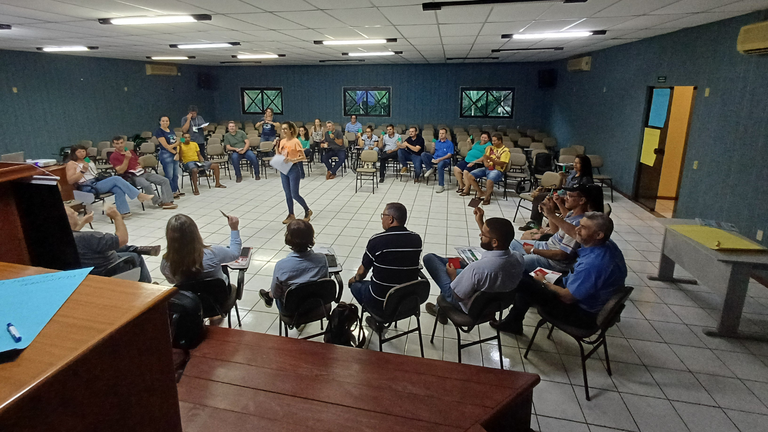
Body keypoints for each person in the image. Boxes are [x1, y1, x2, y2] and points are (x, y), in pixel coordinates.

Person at [491, 212, 627, 336]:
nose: (577, 230)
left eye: (583, 228)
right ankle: (514, 321)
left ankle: (505, 316)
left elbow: (567, 297)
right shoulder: (607, 245)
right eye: (579, 225)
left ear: (598, 235)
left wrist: (544, 282)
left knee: (521, 280)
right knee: (527, 276)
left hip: (579, 313)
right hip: (578, 293)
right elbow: (572, 232)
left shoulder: (594, 264)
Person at [423, 214, 524, 324]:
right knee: (455, 263)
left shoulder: (477, 269)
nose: (480, 235)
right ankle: (440, 310)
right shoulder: (518, 258)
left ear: (495, 242)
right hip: (496, 304)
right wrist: (480, 220)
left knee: (430, 259)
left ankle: (440, 310)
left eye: (483, 234)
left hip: (469, 306)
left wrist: (452, 276)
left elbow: (457, 295)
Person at [349, 203, 422, 322]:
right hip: (407, 301)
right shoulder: (416, 239)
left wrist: (354, 279)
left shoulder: (377, 240)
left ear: (390, 219)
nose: (382, 219)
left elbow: (362, 272)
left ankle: (377, 320)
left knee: (355, 285)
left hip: (381, 303)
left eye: (383, 215)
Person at [495, 185, 589, 274]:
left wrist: (534, 250)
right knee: (512, 244)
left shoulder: (578, 225)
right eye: (566, 195)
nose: (565, 198)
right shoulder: (572, 214)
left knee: (513, 263)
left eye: (570, 196)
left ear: (582, 200)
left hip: (553, 262)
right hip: (546, 246)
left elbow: (562, 255)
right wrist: (554, 207)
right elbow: (555, 231)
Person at [66, 205, 156, 283]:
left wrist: (83, 221)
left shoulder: (62, 238)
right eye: (73, 213)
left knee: (116, 247)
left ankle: (137, 248)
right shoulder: (88, 237)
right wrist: (117, 217)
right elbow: (122, 239)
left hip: (86, 268)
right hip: (106, 269)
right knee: (136, 256)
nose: (77, 214)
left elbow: (72, 232)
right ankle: (148, 286)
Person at [258, 220, 329, 311]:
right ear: (311, 237)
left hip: (291, 309)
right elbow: (325, 282)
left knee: (278, 291)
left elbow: (276, 295)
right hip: (317, 305)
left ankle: (268, 296)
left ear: (288, 238)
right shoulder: (322, 259)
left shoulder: (281, 266)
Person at [66, 145, 154, 217]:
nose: (82, 153)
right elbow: (70, 181)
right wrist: (82, 171)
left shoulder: (87, 159)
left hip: (96, 181)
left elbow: (93, 171)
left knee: (118, 188)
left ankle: (123, 212)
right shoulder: (71, 164)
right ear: (74, 153)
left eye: (83, 151)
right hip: (88, 186)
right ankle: (139, 195)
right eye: (79, 152)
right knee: (116, 179)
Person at [160, 213, 241, 286]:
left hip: (189, 297)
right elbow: (235, 253)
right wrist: (234, 229)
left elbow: (172, 281)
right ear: (195, 233)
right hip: (219, 295)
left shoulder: (166, 262)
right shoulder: (214, 253)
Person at [521, 154, 594, 231]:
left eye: (578, 163)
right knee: (540, 196)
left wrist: (556, 197)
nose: (575, 165)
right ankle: (536, 222)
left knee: (548, 200)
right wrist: (563, 181)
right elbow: (565, 189)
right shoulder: (573, 174)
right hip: (564, 196)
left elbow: (577, 195)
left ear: (584, 165)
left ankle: (550, 224)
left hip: (572, 200)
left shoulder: (585, 180)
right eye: (574, 162)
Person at [108, 136, 177, 209]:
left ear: (124, 143)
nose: (120, 145)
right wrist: (127, 158)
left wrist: (141, 164)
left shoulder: (129, 151)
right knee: (146, 184)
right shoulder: (113, 156)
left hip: (142, 172)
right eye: (117, 144)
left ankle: (167, 201)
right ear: (113, 145)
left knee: (164, 180)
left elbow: (138, 161)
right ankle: (158, 202)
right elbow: (120, 171)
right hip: (132, 176)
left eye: (121, 143)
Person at [276, 121, 312, 224]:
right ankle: (291, 214)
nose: (283, 131)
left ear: (291, 130)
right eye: (282, 129)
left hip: (293, 169)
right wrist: (276, 147)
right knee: (287, 194)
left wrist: (292, 160)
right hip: (284, 169)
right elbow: (279, 154)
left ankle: (307, 210)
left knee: (294, 194)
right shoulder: (282, 141)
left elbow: (303, 157)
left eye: (285, 129)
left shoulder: (296, 141)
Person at [462, 132, 510, 205]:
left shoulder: (505, 151)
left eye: (495, 141)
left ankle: (487, 197)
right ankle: (480, 192)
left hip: (497, 170)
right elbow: (485, 157)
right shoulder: (490, 148)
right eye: (492, 141)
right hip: (487, 168)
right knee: (470, 176)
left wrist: (491, 160)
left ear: (500, 141)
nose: (493, 142)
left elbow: (502, 163)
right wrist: (481, 162)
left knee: (489, 180)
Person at [154, 115, 182, 198]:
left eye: (167, 121)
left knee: (175, 174)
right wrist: (175, 150)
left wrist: (176, 152)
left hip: (175, 153)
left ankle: (175, 190)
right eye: (163, 121)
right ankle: (169, 193)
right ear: (160, 122)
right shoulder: (159, 131)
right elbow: (166, 146)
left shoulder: (171, 130)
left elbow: (178, 142)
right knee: (169, 175)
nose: (165, 122)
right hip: (166, 154)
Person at [422, 128, 453, 193]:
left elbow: (449, 155)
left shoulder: (450, 143)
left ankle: (441, 185)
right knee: (423, 154)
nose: (441, 135)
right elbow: (432, 153)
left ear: (446, 134)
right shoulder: (436, 142)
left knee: (440, 165)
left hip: (444, 160)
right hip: (435, 158)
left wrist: (440, 159)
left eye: (443, 133)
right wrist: (433, 147)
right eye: (440, 133)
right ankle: (430, 168)